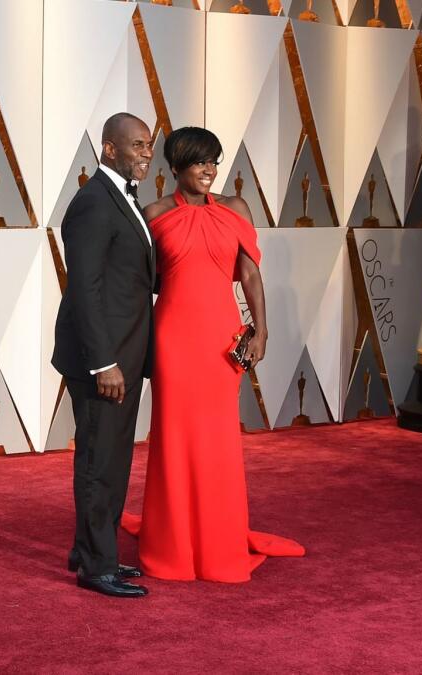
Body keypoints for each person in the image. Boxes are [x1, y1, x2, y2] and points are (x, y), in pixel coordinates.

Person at [120, 127, 303, 583]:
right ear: (176, 167)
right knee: (174, 437)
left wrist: (261, 331)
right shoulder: (154, 213)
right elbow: (144, 285)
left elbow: (251, 276)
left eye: (213, 162)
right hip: (174, 339)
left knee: (218, 437)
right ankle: (172, 541)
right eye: (199, 162)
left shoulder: (235, 208)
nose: (208, 170)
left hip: (221, 338)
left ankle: (218, 538)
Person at [52, 112, 156, 598]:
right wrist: (103, 363)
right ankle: (97, 567)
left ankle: (90, 550)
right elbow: (85, 291)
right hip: (105, 362)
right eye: (137, 145)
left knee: (112, 459)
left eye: (149, 145)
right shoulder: (94, 202)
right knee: (99, 461)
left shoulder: (123, 199)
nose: (146, 153)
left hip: (124, 357)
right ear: (109, 149)